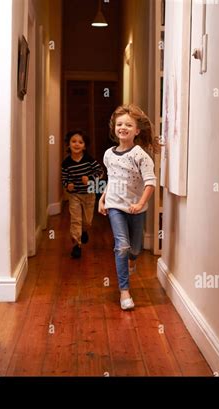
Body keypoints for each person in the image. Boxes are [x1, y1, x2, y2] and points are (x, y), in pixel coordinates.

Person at [98, 104, 157, 310]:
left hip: (135, 208)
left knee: (135, 248)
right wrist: (103, 198)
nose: (123, 127)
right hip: (115, 206)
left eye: (128, 125)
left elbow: (150, 182)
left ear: (137, 130)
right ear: (114, 127)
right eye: (120, 124)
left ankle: (133, 260)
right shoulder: (108, 154)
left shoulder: (140, 155)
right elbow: (112, 178)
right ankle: (124, 292)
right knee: (121, 246)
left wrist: (140, 203)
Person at [62, 130, 103, 258]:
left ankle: (84, 231)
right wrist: (67, 185)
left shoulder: (89, 160)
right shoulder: (66, 163)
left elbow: (100, 172)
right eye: (73, 141)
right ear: (68, 145)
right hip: (74, 195)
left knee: (87, 221)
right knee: (76, 220)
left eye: (80, 142)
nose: (77, 144)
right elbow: (64, 178)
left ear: (84, 146)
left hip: (89, 194)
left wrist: (90, 178)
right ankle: (76, 245)